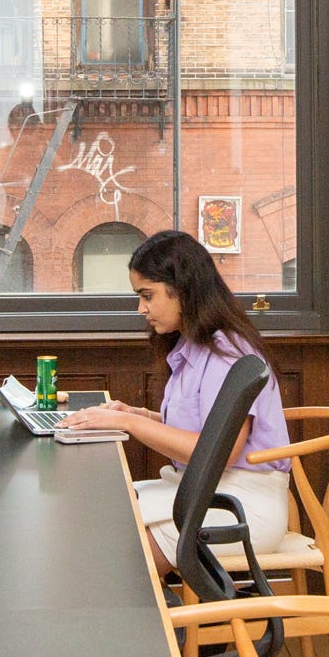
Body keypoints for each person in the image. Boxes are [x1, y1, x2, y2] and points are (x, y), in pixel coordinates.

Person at [59, 228, 292, 558]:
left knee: (114, 552)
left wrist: (130, 425)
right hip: (202, 491)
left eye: (147, 295)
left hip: (240, 505)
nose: (141, 308)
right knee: (97, 515)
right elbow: (204, 428)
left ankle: (150, 607)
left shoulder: (229, 355)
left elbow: (219, 452)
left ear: (181, 290)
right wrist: (140, 416)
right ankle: (156, 606)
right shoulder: (192, 347)